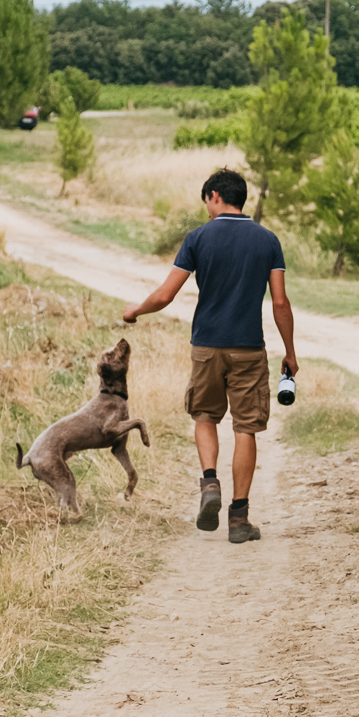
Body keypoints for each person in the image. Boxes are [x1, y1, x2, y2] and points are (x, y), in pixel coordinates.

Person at [124, 168, 297, 544]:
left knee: (204, 415)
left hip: (206, 346)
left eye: (207, 201)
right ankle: (239, 519)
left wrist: (134, 311)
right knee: (245, 428)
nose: (206, 208)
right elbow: (280, 302)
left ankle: (209, 484)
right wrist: (290, 352)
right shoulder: (268, 241)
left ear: (215, 195)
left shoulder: (198, 238)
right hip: (249, 347)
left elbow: (165, 295)